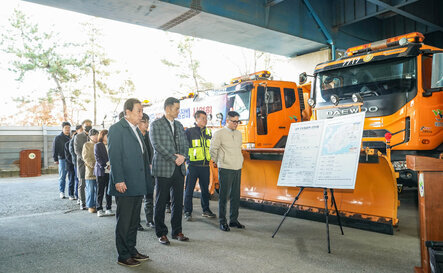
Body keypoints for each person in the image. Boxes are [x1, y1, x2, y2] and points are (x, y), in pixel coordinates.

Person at [108, 98, 153, 267]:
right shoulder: (117, 129)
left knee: (134, 220)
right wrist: (118, 179)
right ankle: (123, 255)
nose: (141, 115)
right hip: (125, 183)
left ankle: (132, 250)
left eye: (142, 111)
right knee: (125, 221)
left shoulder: (135, 129)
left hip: (137, 182)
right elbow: (115, 156)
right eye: (138, 111)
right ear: (127, 112)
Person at [150, 97, 189, 245]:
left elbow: (185, 143)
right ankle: (161, 233)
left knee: (178, 202)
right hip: (164, 169)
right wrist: (174, 158)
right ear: (167, 109)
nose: (178, 111)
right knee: (160, 202)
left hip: (179, 169)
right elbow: (157, 145)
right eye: (176, 109)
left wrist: (183, 156)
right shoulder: (156, 125)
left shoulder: (179, 125)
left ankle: (177, 231)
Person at [210, 111, 245, 232]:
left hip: (237, 167)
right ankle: (222, 221)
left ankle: (233, 220)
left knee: (236, 196)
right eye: (234, 121)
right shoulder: (219, 133)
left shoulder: (239, 134)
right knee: (224, 196)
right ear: (227, 121)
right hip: (225, 168)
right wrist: (216, 161)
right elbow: (213, 148)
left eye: (237, 121)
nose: (236, 124)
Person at [183, 110, 216, 221]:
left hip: (205, 166)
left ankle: (206, 210)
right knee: (189, 190)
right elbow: (184, 147)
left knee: (205, 190)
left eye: (206, 118)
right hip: (193, 166)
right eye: (202, 118)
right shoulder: (189, 131)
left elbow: (211, 148)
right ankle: (187, 211)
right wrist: (186, 160)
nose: (205, 120)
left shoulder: (208, 132)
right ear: (196, 119)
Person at [137, 113, 155, 230]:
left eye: (148, 122)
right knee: (137, 198)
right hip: (138, 171)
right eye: (144, 121)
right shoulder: (134, 136)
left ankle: (149, 220)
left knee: (149, 196)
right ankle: (136, 222)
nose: (147, 124)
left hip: (150, 171)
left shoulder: (150, 136)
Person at [94, 129, 114, 217]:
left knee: (109, 191)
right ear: (102, 136)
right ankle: (99, 209)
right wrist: (106, 166)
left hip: (110, 171)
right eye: (107, 135)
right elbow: (98, 158)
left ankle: (108, 208)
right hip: (101, 171)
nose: (108, 136)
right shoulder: (98, 145)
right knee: (100, 191)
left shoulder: (111, 145)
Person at [74, 119, 92, 210]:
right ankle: (82, 202)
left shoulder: (93, 135)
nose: (88, 126)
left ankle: (91, 202)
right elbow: (77, 150)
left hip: (92, 164)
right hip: (82, 163)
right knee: (82, 183)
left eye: (90, 124)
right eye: (86, 125)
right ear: (82, 126)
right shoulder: (78, 137)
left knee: (92, 183)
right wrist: (85, 159)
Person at [52, 121, 71, 199]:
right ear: (62, 128)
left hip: (70, 160)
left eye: (69, 128)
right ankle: (61, 192)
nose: (67, 129)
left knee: (71, 176)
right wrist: (55, 158)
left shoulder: (71, 137)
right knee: (62, 176)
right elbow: (54, 148)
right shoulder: (58, 138)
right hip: (62, 159)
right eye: (66, 128)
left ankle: (71, 193)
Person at [83, 129, 99, 213]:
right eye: (94, 135)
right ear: (90, 136)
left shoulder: (100, 144)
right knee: (90, 189)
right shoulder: (87, 145)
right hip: (90, 171)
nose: (96, 137)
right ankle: (90, 205)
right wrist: (93, 165)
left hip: (100, 171)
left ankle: (97, 205)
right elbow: (85, 157)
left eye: (97, 135)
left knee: (98, 190)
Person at [69, 125, 83, 201]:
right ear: (77, 130)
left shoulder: (85, 137)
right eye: (81, 129)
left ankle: (81, 196)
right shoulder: (74, 139)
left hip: (83, 162)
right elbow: (73, 152)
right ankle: (77, 196)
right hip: (77, 163)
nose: (82, 131)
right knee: (78, 179)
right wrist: (76, 161)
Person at [64, 130, 77, 200]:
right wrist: (74, 162)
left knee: (77, 180)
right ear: (71, 136)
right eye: (74, 135)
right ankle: (70, 194)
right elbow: (68, 156)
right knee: (71, 180)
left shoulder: (78, 144)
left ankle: (76, 194)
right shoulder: (67, 144)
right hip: (70, 165)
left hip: (77, 165)